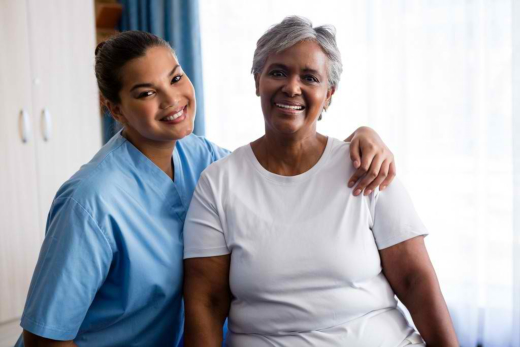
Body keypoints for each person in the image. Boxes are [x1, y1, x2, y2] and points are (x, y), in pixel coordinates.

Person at [15, 31, 396, 347]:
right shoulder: (91, 202)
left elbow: (284, 170)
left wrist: (359, 140)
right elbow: (45, 337)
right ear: (115, 109)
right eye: (146, 93)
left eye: (176, 78)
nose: (172, 100)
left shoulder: (204, 159)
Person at [182, 16, 459, 347]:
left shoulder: (367, 166)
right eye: (278, 72)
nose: (292, 87)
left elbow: (415, 280)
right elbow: (206, 302)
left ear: (328, 94)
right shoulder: (218, 182)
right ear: (257, 81)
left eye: (309, 78)